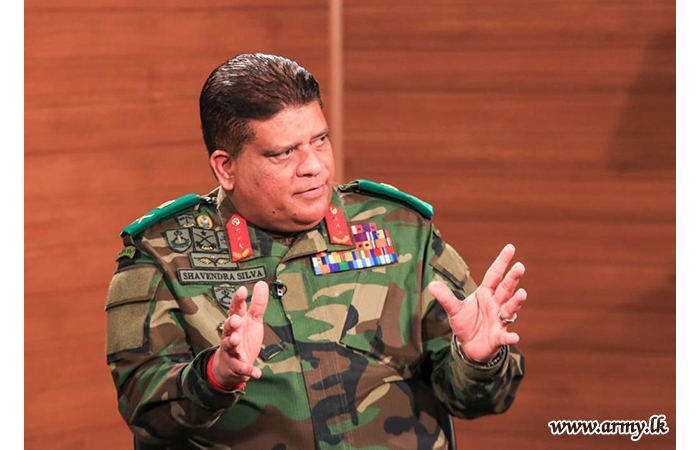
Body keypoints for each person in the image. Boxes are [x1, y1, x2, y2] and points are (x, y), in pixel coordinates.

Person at [105, 53, 527, 449]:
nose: (315, 166)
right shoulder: (161, 257)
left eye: (320, 140)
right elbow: (146, 415)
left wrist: (478, 360)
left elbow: (480, 399)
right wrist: (216, 377)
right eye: (284, 152)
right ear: (226, 167)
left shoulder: (401, 231)